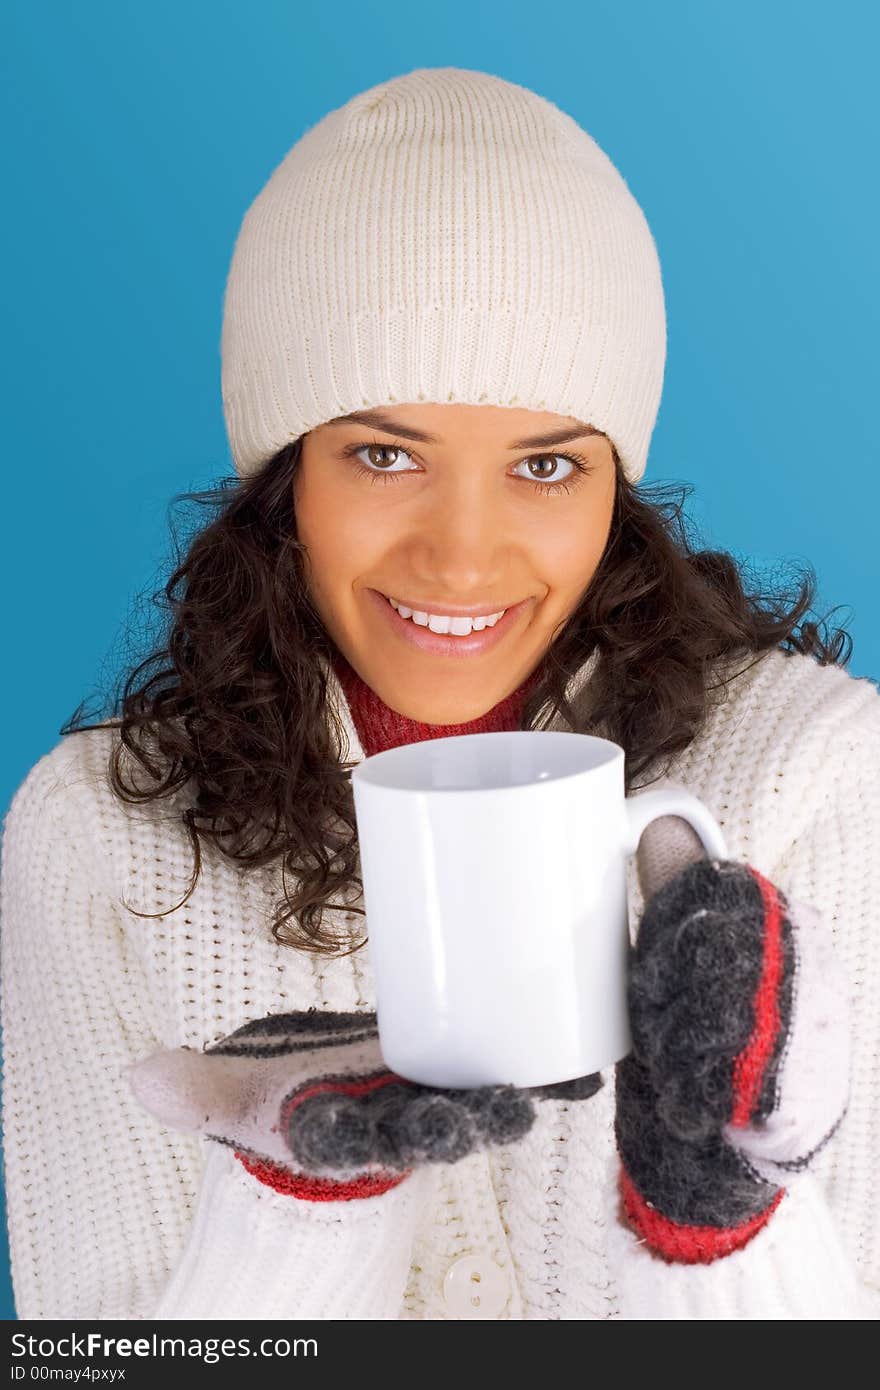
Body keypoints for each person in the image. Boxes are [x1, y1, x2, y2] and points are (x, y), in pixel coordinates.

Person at [1, 66, 878, 1322]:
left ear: (612, 489)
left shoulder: (819, 777)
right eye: (383, 453)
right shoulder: (97, 840)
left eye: (543, 463)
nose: (462, 557)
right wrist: (297, 1211)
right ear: (283, 476)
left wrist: (710, 1225)